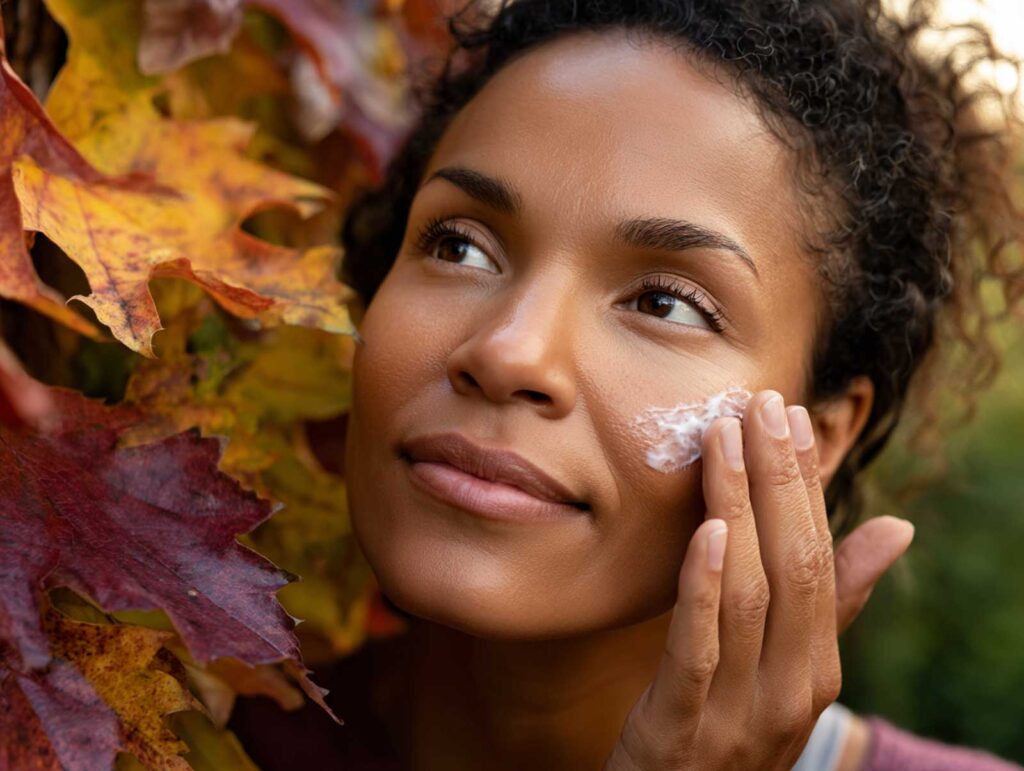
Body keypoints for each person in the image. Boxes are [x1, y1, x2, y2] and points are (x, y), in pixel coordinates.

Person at [228, 0, 1024, 767]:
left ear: (821, 434)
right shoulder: (161, 726)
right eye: (459, 246)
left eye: (663, 303)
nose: (509, 352)